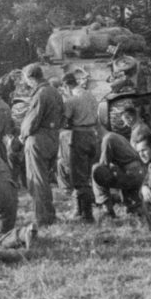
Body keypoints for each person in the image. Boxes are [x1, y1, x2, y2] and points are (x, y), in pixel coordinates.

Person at [19, 63, 64, 227]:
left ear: (31, 78)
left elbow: (31, 122)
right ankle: (49, 213)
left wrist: (21, 136)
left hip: (38, 140)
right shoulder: (54, 91)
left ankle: (43, 218)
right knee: (44, 179)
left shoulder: (40, 94)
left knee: (37, 181)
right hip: (53, 138)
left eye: (26, 79)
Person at [58, 73, 98, 222]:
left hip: (79, 135)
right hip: (92, 134)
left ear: (66, 85)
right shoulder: (90, 95)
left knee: (79, 177)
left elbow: (63, 122)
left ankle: (86, 215)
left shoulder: (71, 100)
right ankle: (80, 210)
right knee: (86, 174)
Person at [91, 131, 146, 217]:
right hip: (139, 173)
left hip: (129, 174)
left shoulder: (107, 139)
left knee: (96, 170)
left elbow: (103, 166)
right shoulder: (117, 137)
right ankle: (135, 208)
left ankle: (106, 208)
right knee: (134, 210)